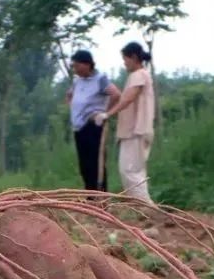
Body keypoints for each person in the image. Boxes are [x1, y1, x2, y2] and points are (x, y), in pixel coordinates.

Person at [96, 42, 156, 202]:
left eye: (126, 59)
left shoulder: (139, 75)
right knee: (131, 170)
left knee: (130, 171)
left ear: (134, 57)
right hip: (131, 131)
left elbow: (128, 99)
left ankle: (147, 208)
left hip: (137, 130)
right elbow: (126, 99)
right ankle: (141, 208)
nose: (124, 63)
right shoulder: (136, 76)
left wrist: (108, 114)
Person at [66, 50, 120, 192]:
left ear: (87, 64)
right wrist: (73, 107)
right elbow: (70, 94)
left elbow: (115, 94)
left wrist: (105, 113)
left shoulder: (100, 79)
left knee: (96, 163)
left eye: (77, 65)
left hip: (93, 124)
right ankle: (90, 196)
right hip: (79, 127)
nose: (75, 69)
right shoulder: (77, 81)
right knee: (84, 165)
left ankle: (100, 196)